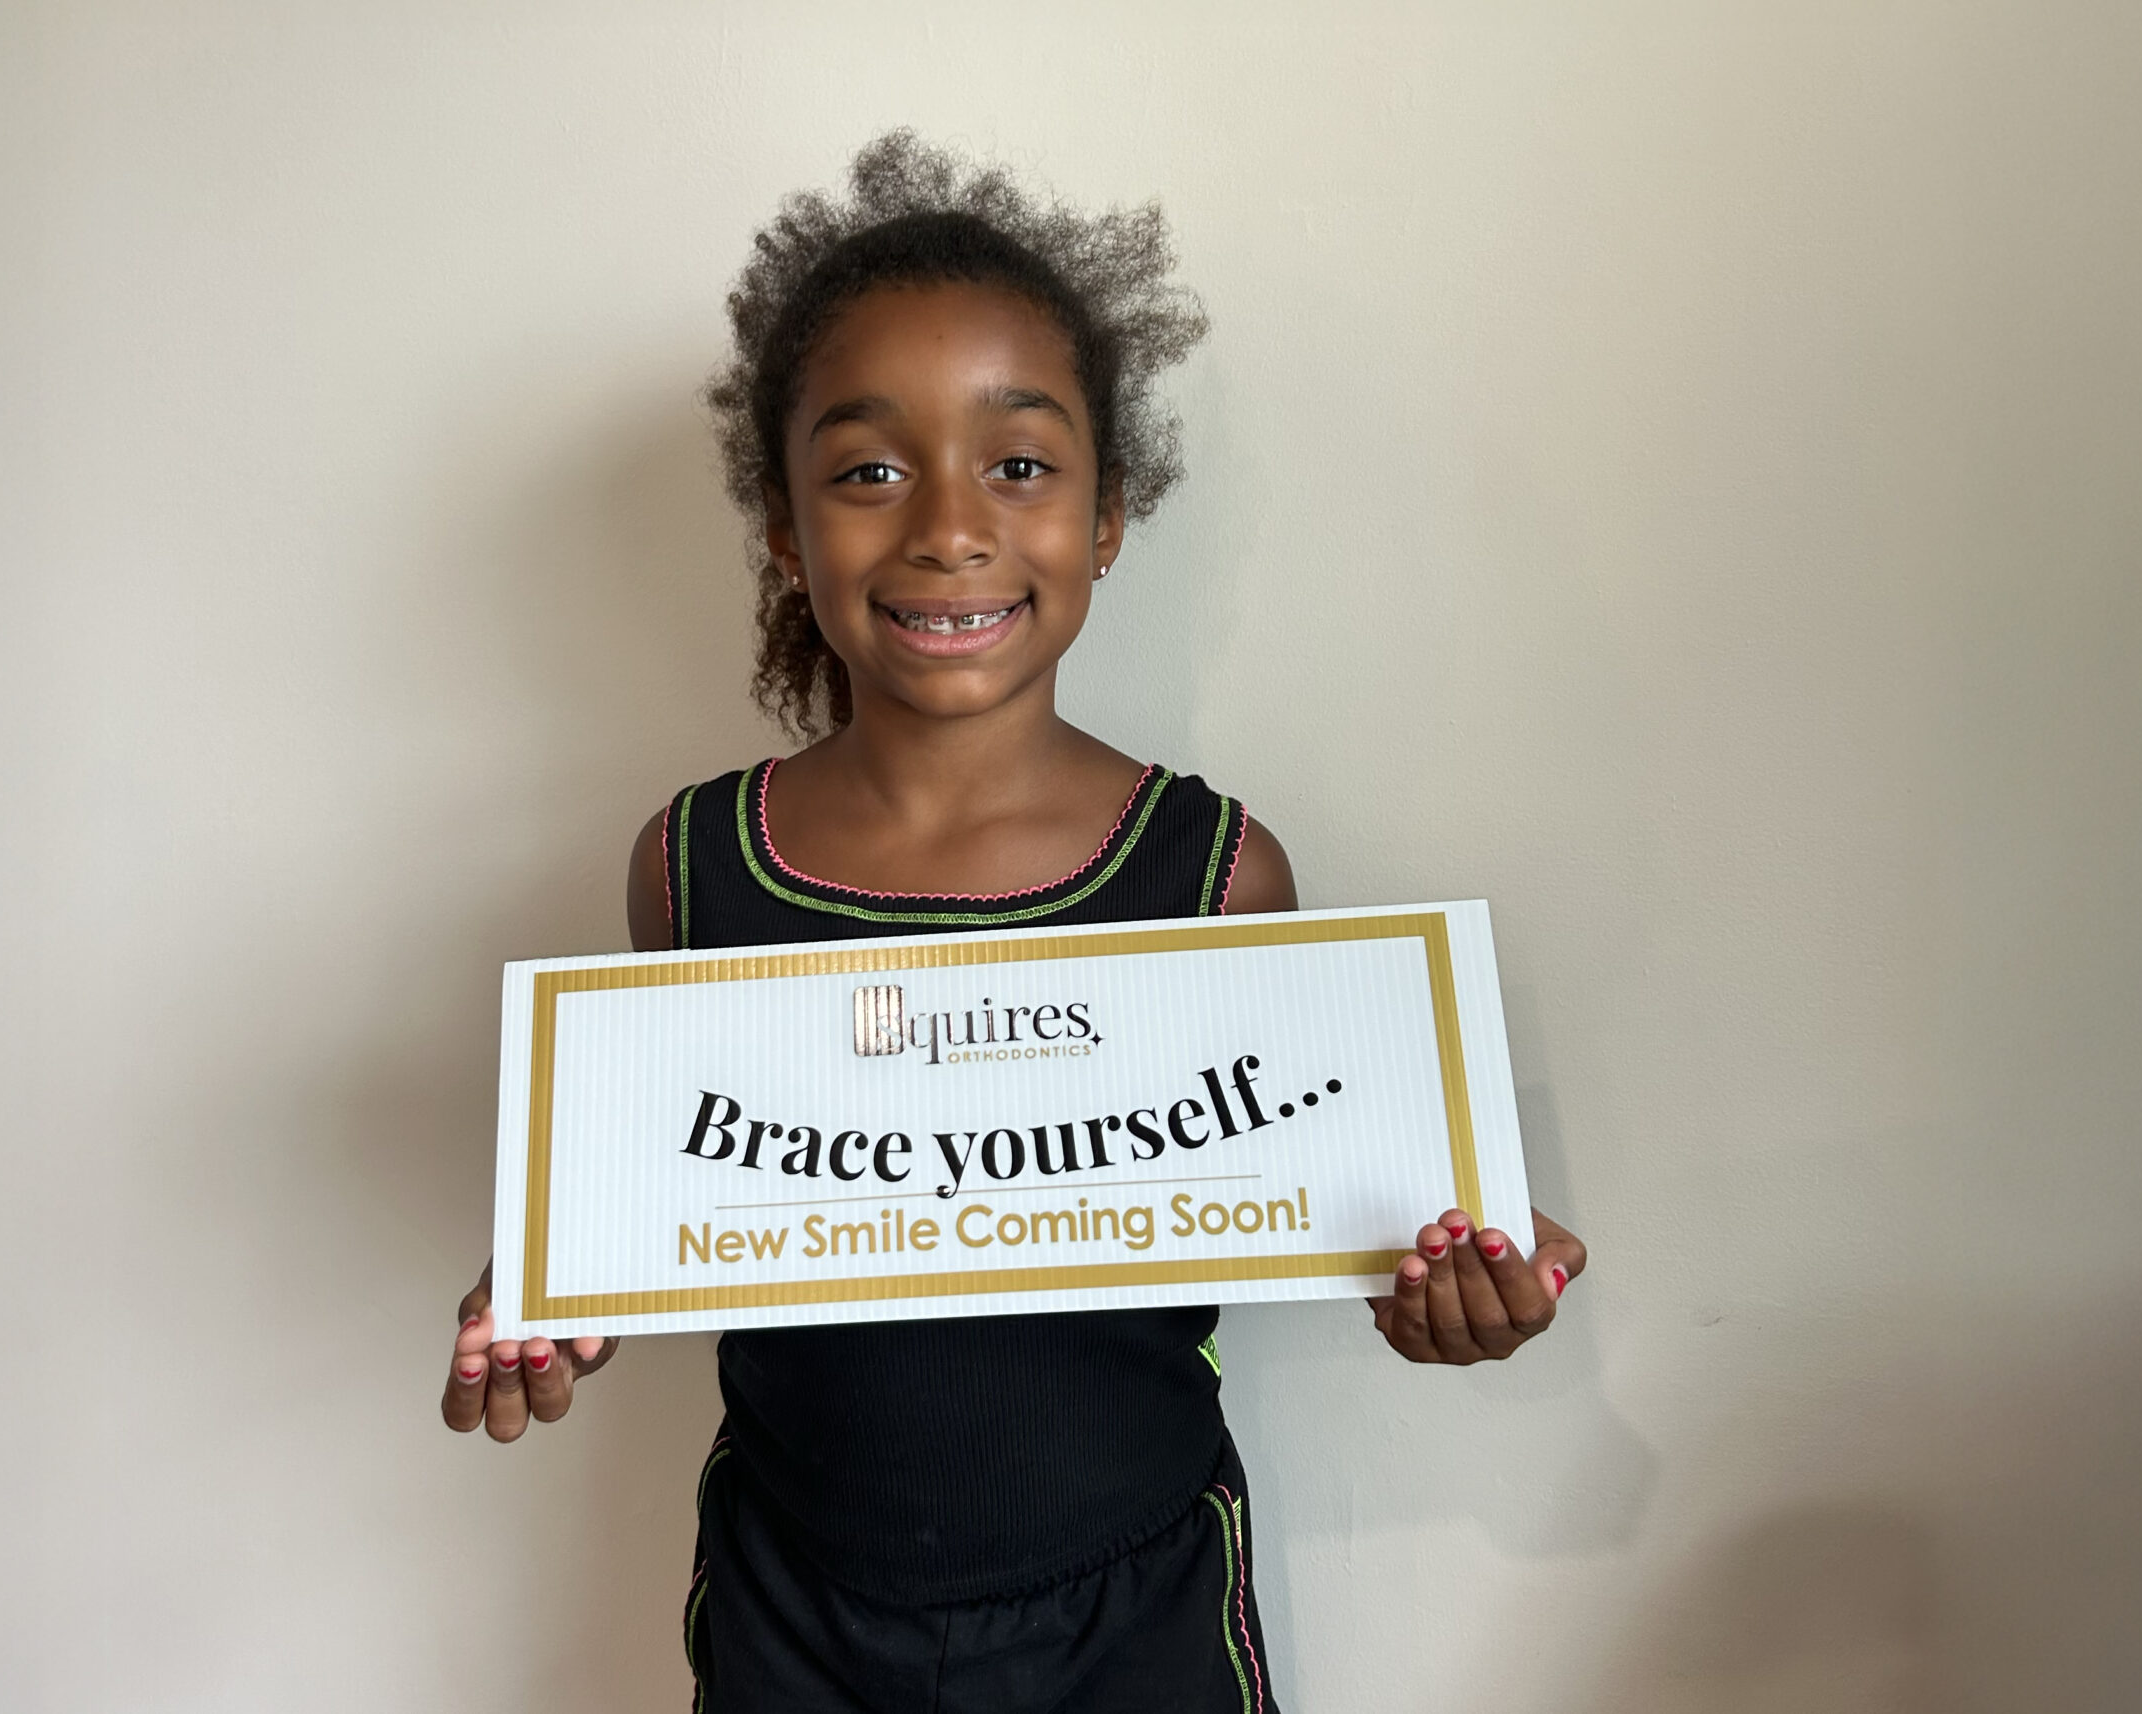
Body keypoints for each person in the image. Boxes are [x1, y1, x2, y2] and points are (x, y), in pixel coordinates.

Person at [440, 132, 1589, 1713]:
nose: (947, 527)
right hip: (798, 1604)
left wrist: (1450, 1284)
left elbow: (1316, 1202)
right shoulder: (696, 869)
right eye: (867, 469)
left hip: (1134, 1605)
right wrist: (554, 1294)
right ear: (785, 526)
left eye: (1022, 463)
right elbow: (680, 1206)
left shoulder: (1216, 875)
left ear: (1111, 513)